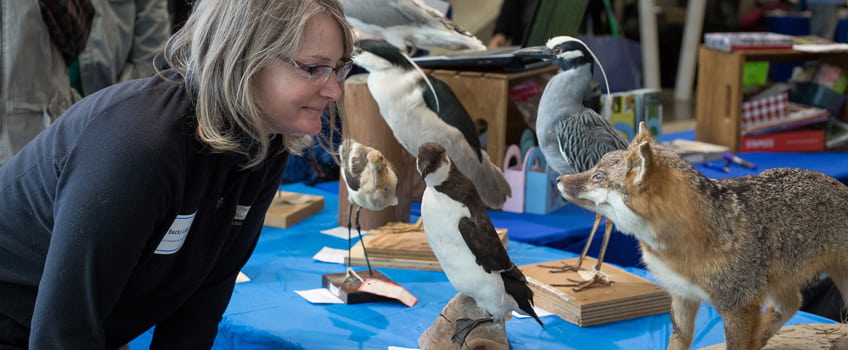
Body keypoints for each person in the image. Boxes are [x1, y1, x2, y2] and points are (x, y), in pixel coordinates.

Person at [0, 0, 354, 348]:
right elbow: (62, 334)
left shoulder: (267, 140)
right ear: (244, 56)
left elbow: (203, 301)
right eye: (312, 68)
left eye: (338, 68)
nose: (333, 89)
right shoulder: (141, 145)